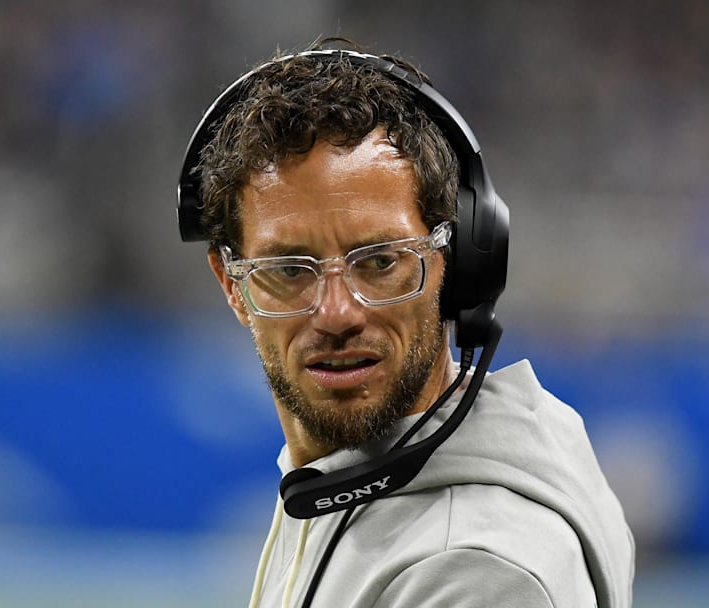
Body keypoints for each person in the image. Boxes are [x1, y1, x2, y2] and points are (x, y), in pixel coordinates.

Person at [176, 39, 634, 608]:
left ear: (460, 262)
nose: (337, 313)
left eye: (380, 262)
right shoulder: (333, 485)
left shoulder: (476, 572)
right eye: (289, 269)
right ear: (231, 283)